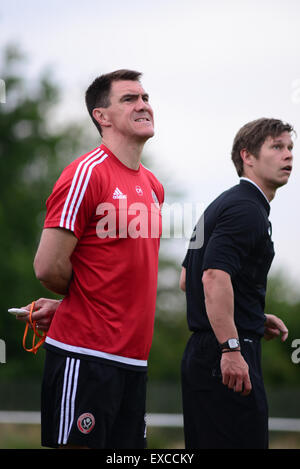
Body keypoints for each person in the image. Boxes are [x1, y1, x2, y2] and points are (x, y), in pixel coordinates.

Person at [20, 70, 164, 449]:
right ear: (102, 116)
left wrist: (82, 296)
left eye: (145, 97)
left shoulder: (153, 185)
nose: (144, 105)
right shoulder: (86, 174)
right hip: (85, 357)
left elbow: (117, 270)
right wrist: (81, 302)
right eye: (129, 99)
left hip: (134, 362)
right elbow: (47, 266)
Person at [179, 118, 293, 449]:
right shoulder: (246, 209)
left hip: (207, 353)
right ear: (248, 156)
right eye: (276, 147)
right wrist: (231, 346)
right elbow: (212, 276)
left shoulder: (223, 203)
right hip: (226, 355)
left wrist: (251, 314)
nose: (288, 156)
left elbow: (188, 280)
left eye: (290, 148)